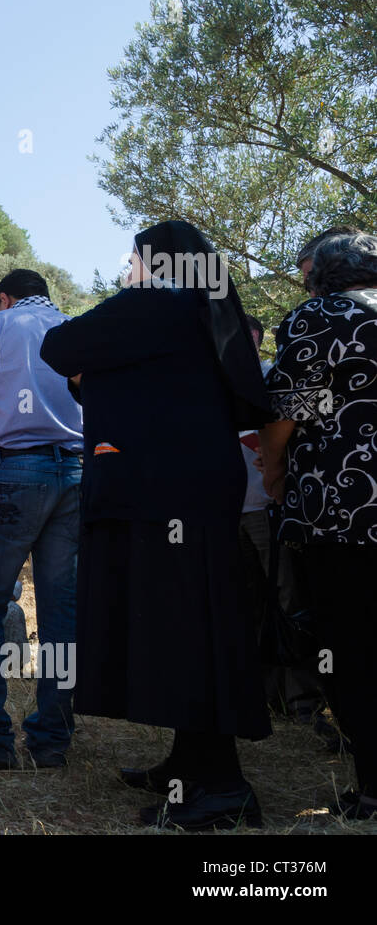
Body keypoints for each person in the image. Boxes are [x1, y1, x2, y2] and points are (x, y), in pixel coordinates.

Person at [41, 220, 272, 830]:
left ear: (156, 260)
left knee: (188, 632)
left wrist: (97, 368)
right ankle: (190, 764)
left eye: (134, 260)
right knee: (190, 626)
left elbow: (61, 346)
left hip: (169, 494)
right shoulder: (200, 305)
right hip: (194, 485)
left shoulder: (161, 299)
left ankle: (222, 785)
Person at [259, 231, 377, 821]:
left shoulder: (321, 316)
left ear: (321, 275)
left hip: (343, 510)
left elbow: (287, 409)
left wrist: (274, 471)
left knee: (349, 642)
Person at [0, 268, 83, 770]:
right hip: (77, 471)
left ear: (4, 298)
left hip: (16, 469)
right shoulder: (75, 327)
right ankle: (52, 740)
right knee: (62, 615)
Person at [236, 317, 335, 749]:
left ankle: (304, 700)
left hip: (268, 508)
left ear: (257, 342)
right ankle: (261, 697)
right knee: (246, 606)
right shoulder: (212, 382)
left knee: (289, 602)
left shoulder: (270, 376)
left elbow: (282, 434)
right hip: (225, 511)